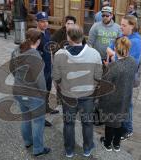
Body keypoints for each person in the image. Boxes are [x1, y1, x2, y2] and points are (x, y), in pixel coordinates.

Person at [52, 24, 103, 158]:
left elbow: (56, 77)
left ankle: (69, 151)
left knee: (68, 123)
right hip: (88, 95)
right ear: (83, 36)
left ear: (68, 37)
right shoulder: (95, 53)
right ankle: (87, 149)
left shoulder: (59, 55)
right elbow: (98, 77)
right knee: (87, 123)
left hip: (68, 95)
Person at [9, 28, 51, 157]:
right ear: (38, 40)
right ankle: (38, 149)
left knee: (26, 117)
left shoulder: (16, 50)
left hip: (18, 90)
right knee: (38, 121)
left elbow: (12, 69)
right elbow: (40, 79)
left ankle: (28, 141)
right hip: (33, 95)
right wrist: (44, 94)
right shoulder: (34, 54)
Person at [107, 15, 141, 140]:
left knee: (127, 102)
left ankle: (128, 129)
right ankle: (119, 124)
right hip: (118, 75)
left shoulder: (136, 41)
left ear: (132, 26)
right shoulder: (123, 36)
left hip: (127, 78)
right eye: (120, 24)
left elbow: (131, 63)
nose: (120, 27)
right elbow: (111, 46)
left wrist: (113, 56)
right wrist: (113, 53)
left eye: (124, 25)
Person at [99, 36, 137, 152]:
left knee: (110, 123)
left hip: (112, 100)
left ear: (115, 49)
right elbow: (124, 71)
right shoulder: (132, 62)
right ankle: (116, 144)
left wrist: (107, 68)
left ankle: (107, 144)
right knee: (120, 121)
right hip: (125, 97)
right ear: (128, 48)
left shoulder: (112, 67)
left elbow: (104, 85)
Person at [36, 11, 59, 127]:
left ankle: (47, 108)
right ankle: (41, 117)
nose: (45, 24)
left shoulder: (47, 33)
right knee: (41, 92)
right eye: (42, 21)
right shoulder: (35, 35)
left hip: (49, 66)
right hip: (41, 69)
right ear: (38, 22)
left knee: (48, 89)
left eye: (46, 21)